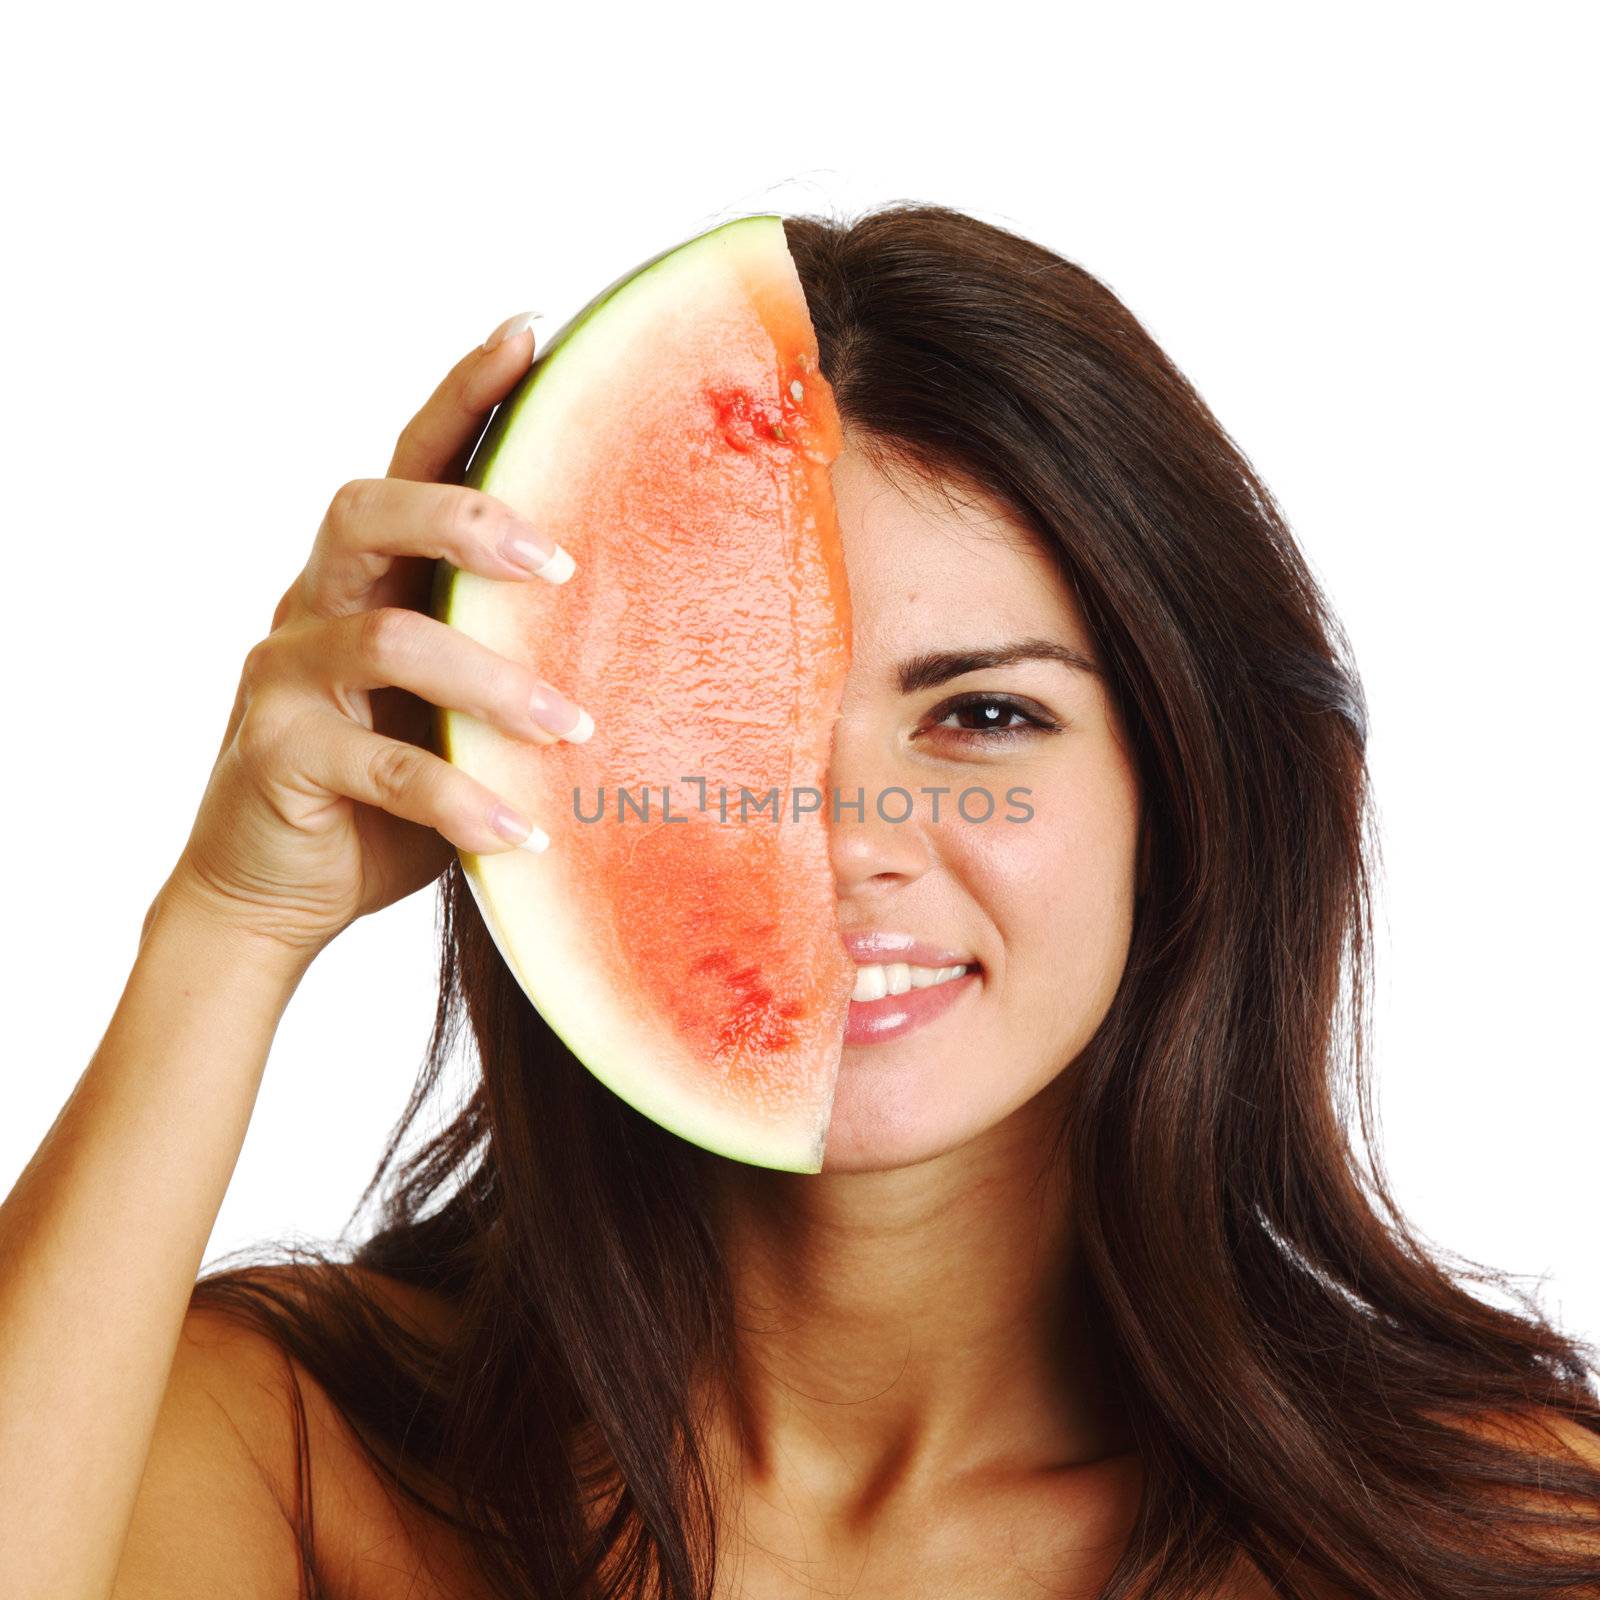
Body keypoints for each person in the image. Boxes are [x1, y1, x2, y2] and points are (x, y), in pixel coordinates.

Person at [3, 203, 1599, 1600]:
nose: (845, 837)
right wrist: (229, 926)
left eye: (983, 716)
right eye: (716, 722)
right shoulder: (295, 1449)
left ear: (1179, 791)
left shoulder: (1489, 1531)